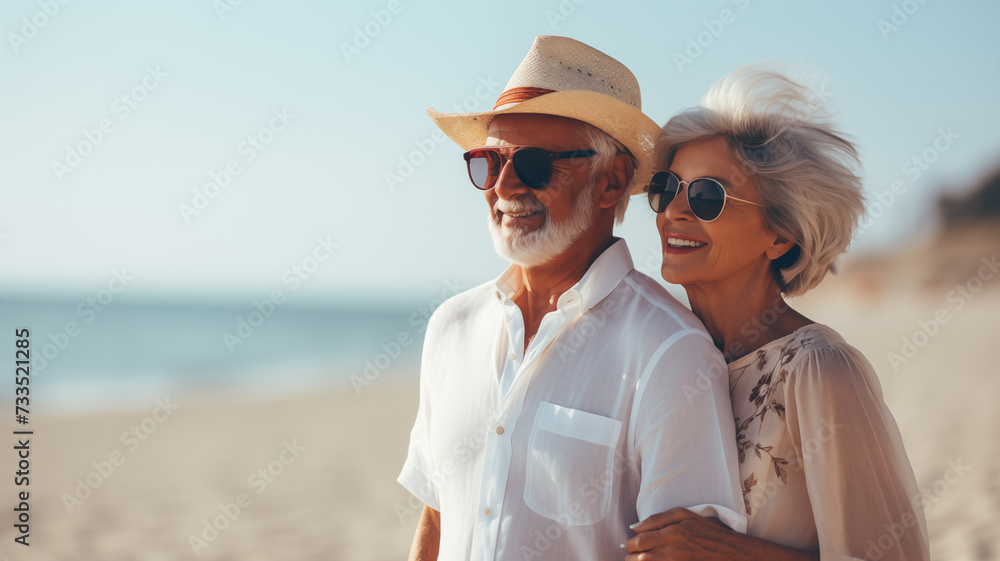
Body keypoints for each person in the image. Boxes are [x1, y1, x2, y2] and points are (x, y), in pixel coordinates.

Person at [397, 36, 746, 561]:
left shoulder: (670, 351)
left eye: (534, 165)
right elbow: (438, 516)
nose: (506, 187)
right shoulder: (451, 326)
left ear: (612, 181)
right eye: (489, 163)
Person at [625, 65, 930, 560]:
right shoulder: (653, 353)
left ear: (780, 235)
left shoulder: (820, 370)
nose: (673, 212)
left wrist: (726, 551)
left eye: (707, 196)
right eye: (666, 188)